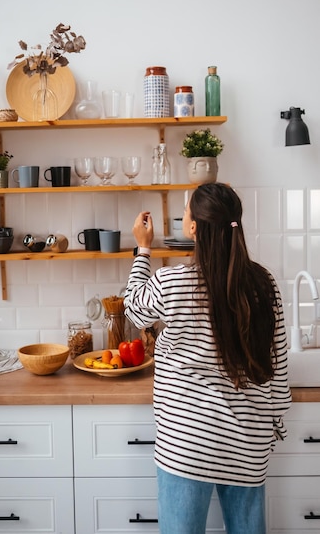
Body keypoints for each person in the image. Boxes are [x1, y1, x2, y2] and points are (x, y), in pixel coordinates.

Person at [124, 182, 291, 534]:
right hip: (247, 440)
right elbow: (277, 363)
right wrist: (275, 421)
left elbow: (134, 310)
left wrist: (142, 248)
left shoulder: (172, 282)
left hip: (187, 442)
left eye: (186, 213)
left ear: (193, 227)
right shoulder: (264, 283)